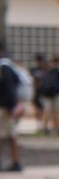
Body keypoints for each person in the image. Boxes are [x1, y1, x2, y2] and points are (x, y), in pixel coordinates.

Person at [0, 42, 26, 171]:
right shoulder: (8, 66)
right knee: (9, 135)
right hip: (7, 107)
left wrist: (11, 107)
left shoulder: (4, 67)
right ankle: (15, 162)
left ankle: (16, 162)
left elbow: (9, 89)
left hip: (5, 108)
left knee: (10, 135)